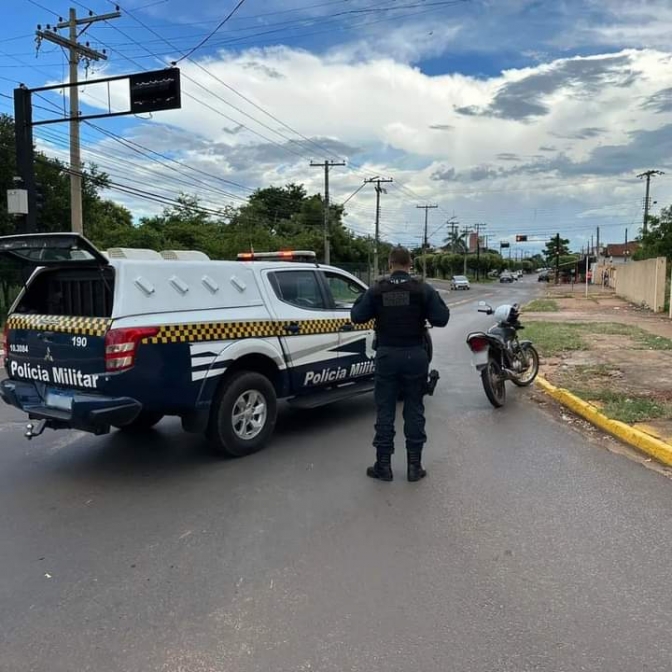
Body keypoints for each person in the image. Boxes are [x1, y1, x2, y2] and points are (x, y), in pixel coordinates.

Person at [350, 246, 450, 483]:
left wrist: (367, 297)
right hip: (415, 355)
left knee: (385, 410)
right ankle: (414, 467)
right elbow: (442, 318)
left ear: (390, 263)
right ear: (410, 264)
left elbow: (356, 316)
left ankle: (383, 466)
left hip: (387, 355)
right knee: (414, 409)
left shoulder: (377, 290)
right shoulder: (422, 289)